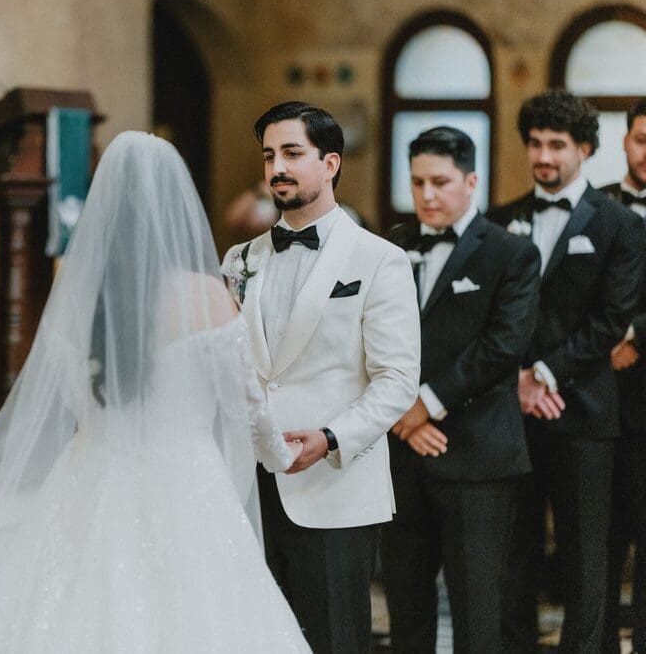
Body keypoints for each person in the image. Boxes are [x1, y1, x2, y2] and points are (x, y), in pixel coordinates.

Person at [0, 131, 311, 652]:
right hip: (184, 481)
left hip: (91, 477)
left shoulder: (80, 300)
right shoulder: (206, 296)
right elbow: (245, 405)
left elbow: (66, 399)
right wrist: (282, 454)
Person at [224, 101, 421, 654]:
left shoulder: (380, 260)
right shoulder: (240, 260)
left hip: (334, 486)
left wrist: (332, 439)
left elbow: (398, 379)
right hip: (251, 489)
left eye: (292, 153)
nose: (277, 169)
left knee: (336, 641)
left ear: (330, 162)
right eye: (269, 156)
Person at [487, 89, 644, 653]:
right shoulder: (502, 222)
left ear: (585, 148)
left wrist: (545, 374)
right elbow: (494, 318)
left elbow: (610, 320)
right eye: (535, 144)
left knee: (585, 564)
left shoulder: (619, 225)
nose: (544, 157)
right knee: (513, 559)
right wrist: (518, 381)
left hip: (585, 416)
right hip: (511, 417)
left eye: (557, 145)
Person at [382, 126, 540, 653]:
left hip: (476, 457)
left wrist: (423, 406)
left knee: (478, 617)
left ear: (472, 181)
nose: (427, 194)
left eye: (441, 182)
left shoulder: (511, 253)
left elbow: (502, 347)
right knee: (405, 611)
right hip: (401, 456)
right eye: (418, 181)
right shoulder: (391, 247)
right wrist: (403, 419)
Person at [600, 97, 646, 654]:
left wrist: (635, 337)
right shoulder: (600, 208)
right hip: (600, 396)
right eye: (640, 138)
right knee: (601, 540)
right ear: (624, 141)